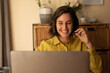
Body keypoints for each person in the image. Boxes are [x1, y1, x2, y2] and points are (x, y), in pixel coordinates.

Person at [35, 6, 102, 73]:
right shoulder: (44, 45)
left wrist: (88, 44)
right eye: (60, 23)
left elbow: (97, 70)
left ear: (73, 24)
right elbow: (35, 68)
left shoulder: (82, 44)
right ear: (55, 24)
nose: (64, 28)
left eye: (69, 23)